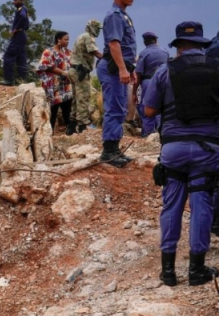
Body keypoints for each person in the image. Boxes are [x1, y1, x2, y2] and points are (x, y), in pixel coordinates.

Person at [144, 21, 219, 287]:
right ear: (202, 45)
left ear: (178, 47)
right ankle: (197, 271)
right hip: (207, 150)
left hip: (173, 150)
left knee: (171, 206)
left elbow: (149, 112)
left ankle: (168, 272)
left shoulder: (165, 71)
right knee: (202, 207)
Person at [96, 0, 137, 167]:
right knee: (113, 107)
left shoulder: (123, 15)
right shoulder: (114, 16)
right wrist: (122, 68)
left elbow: (126, 46)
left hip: (119, 68)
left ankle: (115, 149)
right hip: (112, 68)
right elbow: (114, 44)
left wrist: (129, 68)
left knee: (120, 107)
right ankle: (108, 152)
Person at [66, 20, 103, 135]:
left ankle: (71, 127)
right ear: (92, 27)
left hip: (73, 70)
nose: (98, 31)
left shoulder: (80, 36)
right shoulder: (88, 37)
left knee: (76, 99)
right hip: (80, 71)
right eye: (97, 28)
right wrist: (107, 58)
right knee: (83, 98)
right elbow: (95, 52)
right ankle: (82, 127)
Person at [133, 32, 169, 137]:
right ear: (156, 40)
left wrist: (134, 92)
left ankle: (148, 133)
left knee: (147, 107)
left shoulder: (144, 53)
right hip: (164, 81)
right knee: (161, 108)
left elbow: (138, 74)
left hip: (148, 81)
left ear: (144, 42)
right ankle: (160, 133)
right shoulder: (165, 52)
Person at [37, 31, 73, 132]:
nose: (67, 41)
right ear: (58, 40)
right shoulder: (49, 52)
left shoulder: (68, 52)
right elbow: (45, 65)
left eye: (68, 40)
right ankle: (49, 133)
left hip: (66, 86)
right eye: (65, 39)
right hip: (53, 87)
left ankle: (70, 134)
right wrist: (63, 73)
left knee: (68, 110)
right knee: (53, 110)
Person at [0, 0, 30, 86]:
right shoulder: (24, 9)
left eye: (16, 0)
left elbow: (23, 17)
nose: (14, 2)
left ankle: (9, 79)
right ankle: (22, 80)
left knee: (8, 57)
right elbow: (27, 24)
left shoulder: (21, 10)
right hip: (22, 35)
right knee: (21, 59)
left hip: (18, 36)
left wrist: (16, 28)